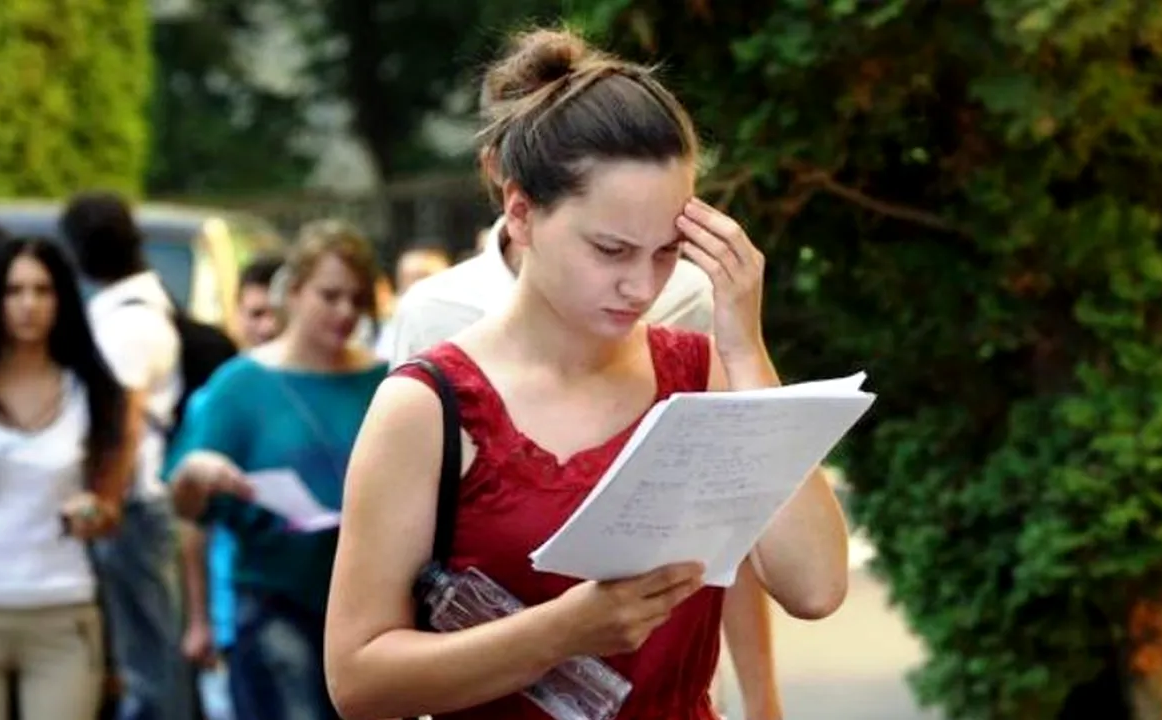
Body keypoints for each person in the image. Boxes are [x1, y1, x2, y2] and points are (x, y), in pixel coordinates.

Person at [322, 28, 849, 720]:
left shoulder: (703, 370)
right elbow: (357, 680)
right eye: (610, 249)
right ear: (521, 212)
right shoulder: (428, 406)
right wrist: (561, 632)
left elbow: (815, 588)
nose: (642, 286)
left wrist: (746, 349)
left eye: (667, 251)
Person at [0, 237, 141, 720]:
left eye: (43, 290)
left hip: (61, 605)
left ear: (64, 299)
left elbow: (110, 516)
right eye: (13, 291)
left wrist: (91, 512)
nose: (29, 305)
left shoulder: (98, 392)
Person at [166, 221, 390, 720]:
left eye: (357, 299)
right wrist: (196, 472)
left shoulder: (384, 379)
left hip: (372, 606)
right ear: (292, 292)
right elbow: (186, 508)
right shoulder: (241, 384)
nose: (345, 312)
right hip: (276, 597)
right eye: (329, 296)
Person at [60, 192, 191, 720]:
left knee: (150, 662)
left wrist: (106, 502)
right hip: (133, 505)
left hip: (132, 506)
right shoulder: (135, 308)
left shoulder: (129, 321)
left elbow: (123, 424)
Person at [176, 254, 285, 720]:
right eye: (254, 313)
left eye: (274, 313)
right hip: (236, 609)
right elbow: (192, 521)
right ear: (236, 315)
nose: (266, 327)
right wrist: (200, 619)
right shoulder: (218, 398)